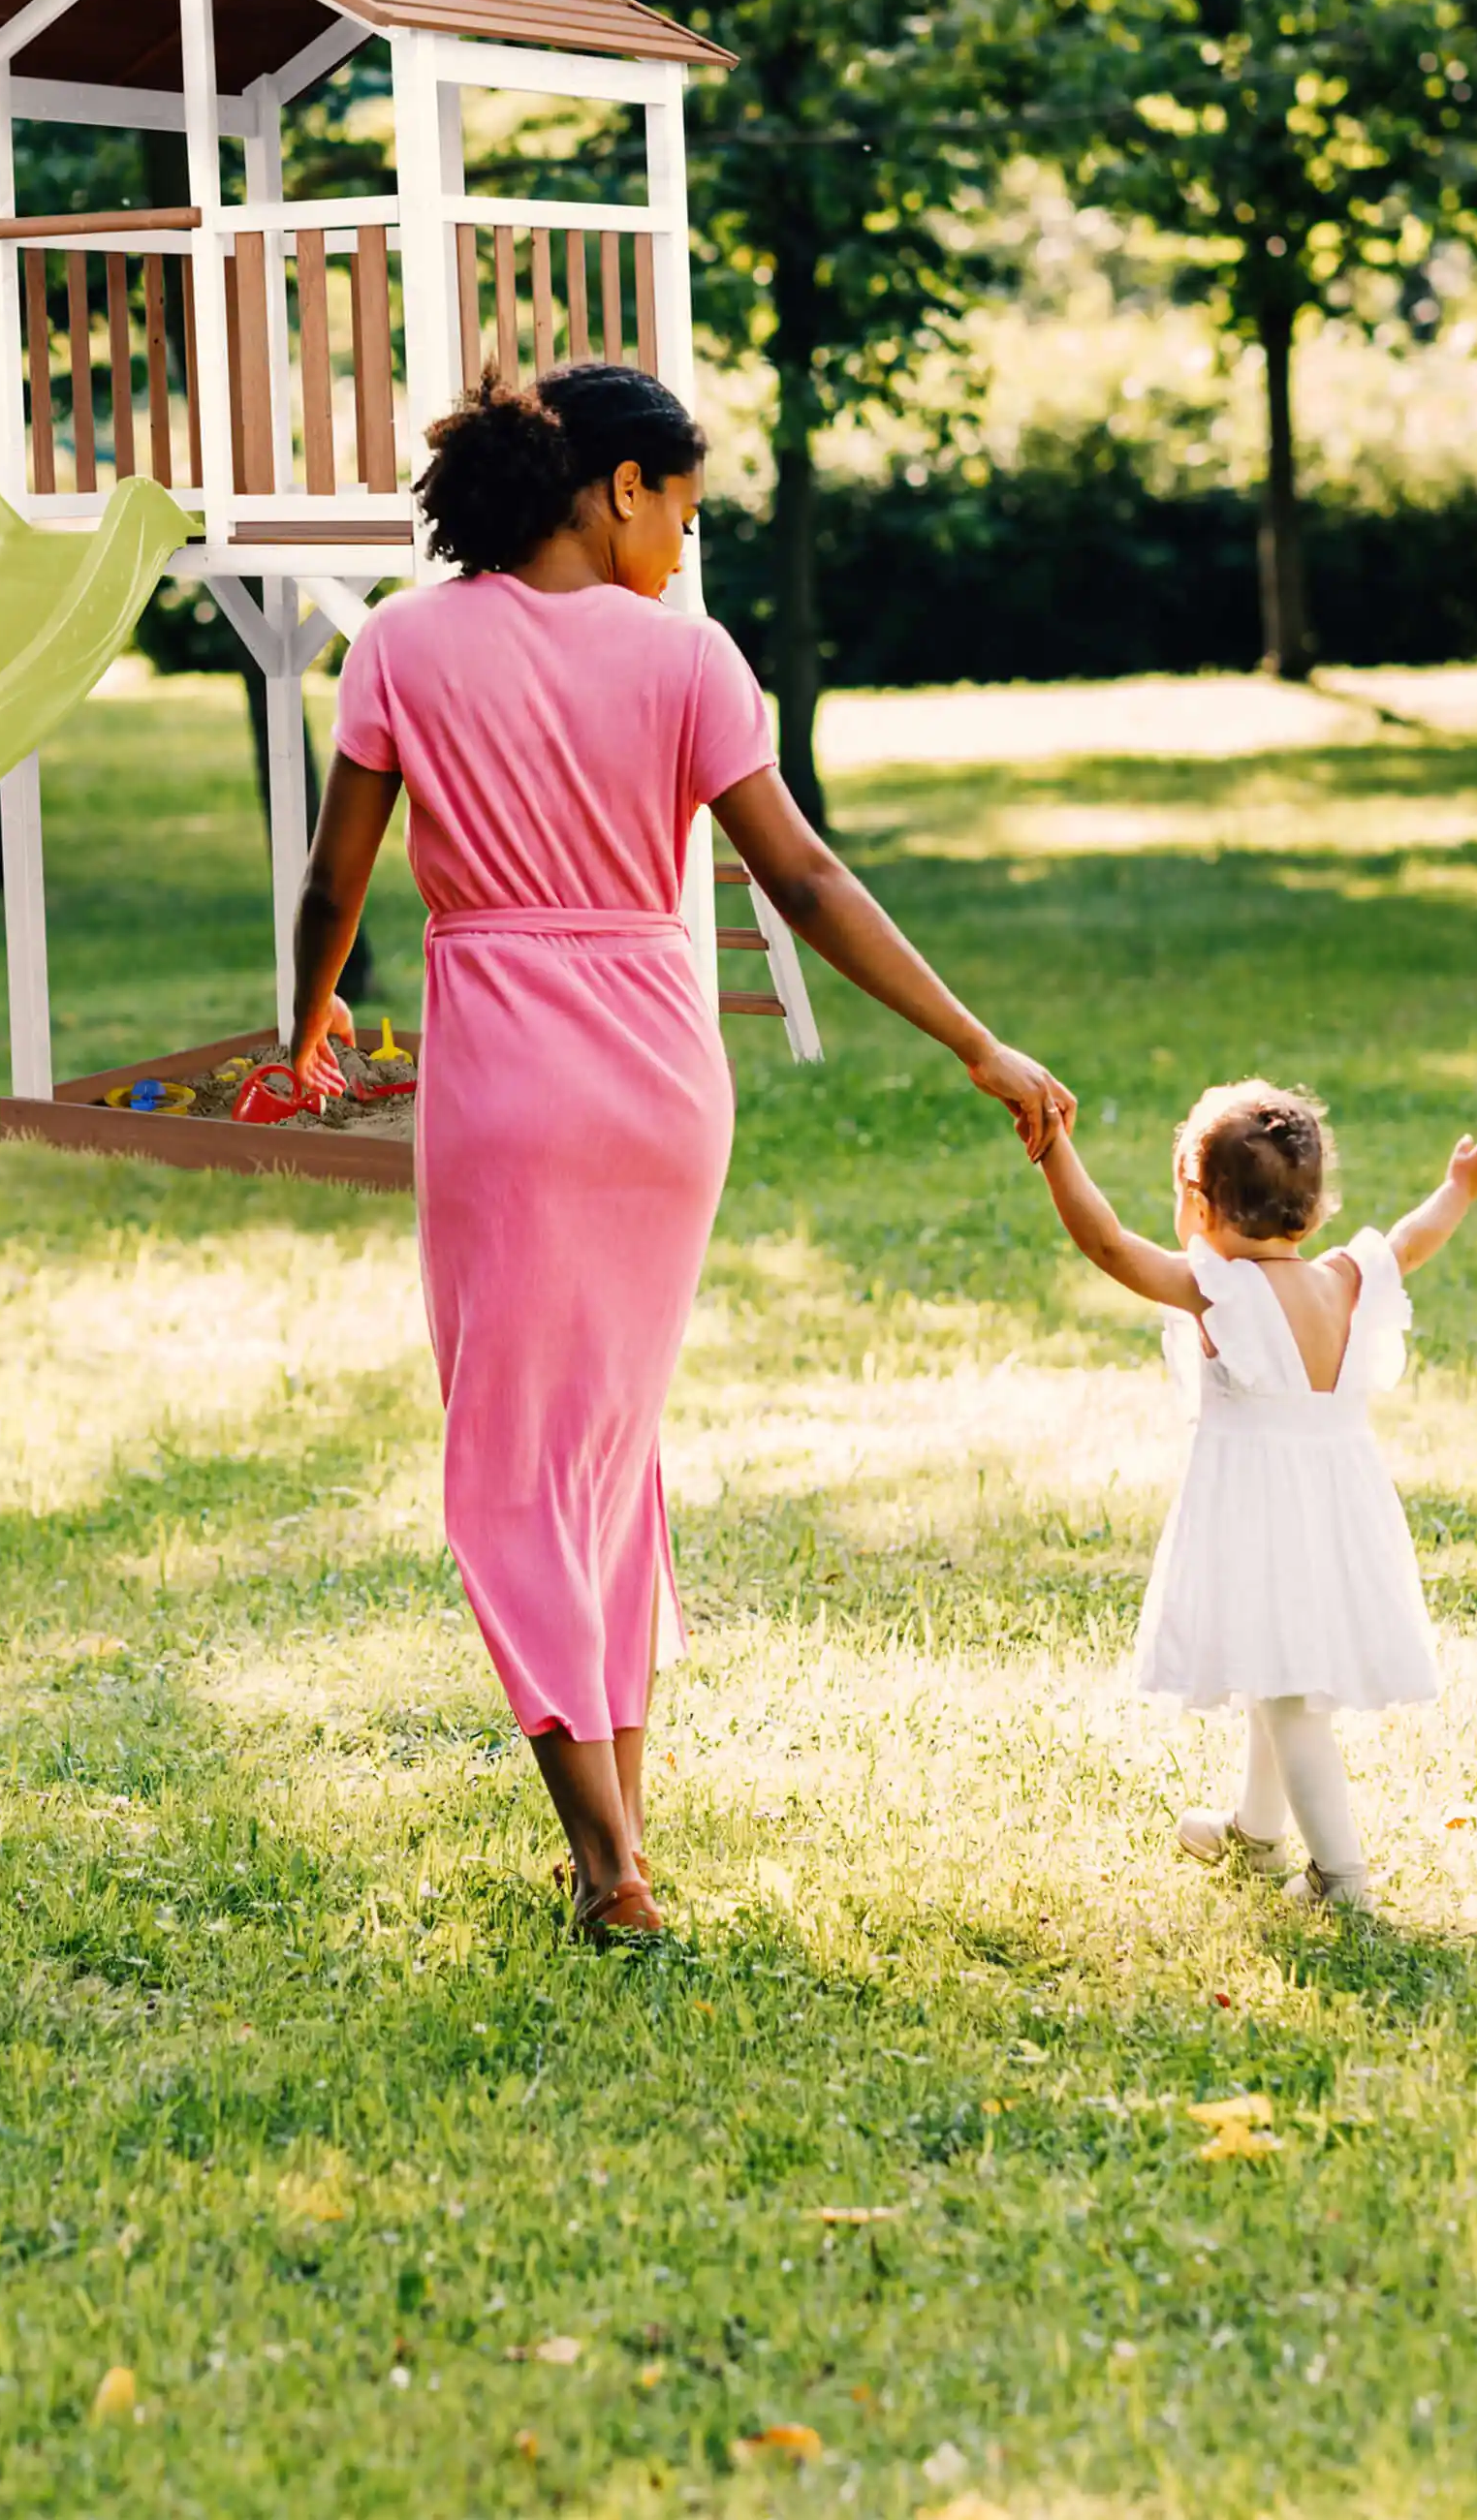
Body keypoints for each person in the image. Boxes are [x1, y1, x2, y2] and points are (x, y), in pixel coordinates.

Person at [283, 365, 1073, 1943]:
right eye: (684, 512)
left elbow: (335, 883)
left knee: (513, 1466)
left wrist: (301, 1027)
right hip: (661, 1083)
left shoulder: (401, 645)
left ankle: (606, 1864)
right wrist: (973, 1039)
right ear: (616, 486)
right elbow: (804, 879)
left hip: (507, 1083)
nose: (684, 547)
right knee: (606, 1455)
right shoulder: (691, 661)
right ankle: (620, 1839)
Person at [1033, 1078, 1477, 1907]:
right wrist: (1458, 1188)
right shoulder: (1348, 1278)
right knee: (1272, 1664)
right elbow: (1412, 1238)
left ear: (1199, 1205)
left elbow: (1107, 1244)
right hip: (1338, 1510)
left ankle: (1342, 1877)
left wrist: (1053, 1148)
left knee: (1290, 1698)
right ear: (1315, 1210)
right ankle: (1256, 1833)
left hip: (1262, 1515)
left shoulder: (1219, 1290)